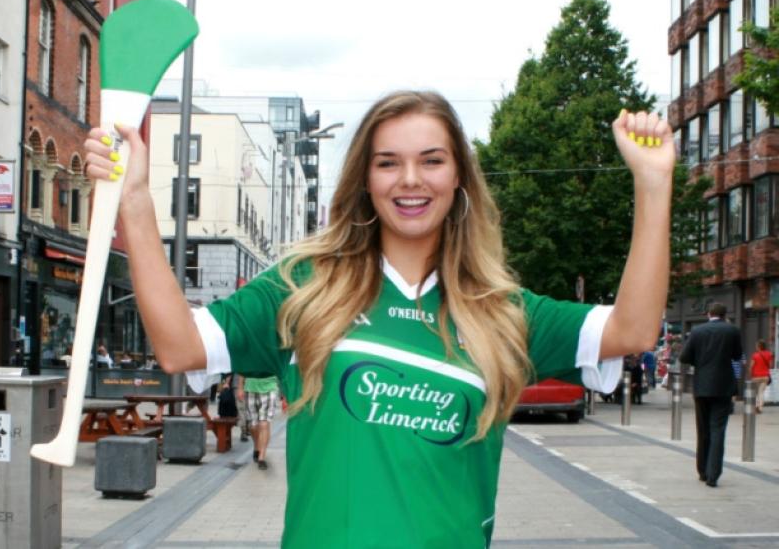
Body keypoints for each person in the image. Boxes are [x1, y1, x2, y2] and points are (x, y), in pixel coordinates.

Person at [84, 91, 674, 548]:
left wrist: (653, 185)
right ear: (366, 181)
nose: (410, 180)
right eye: (388, 163)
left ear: (459, 177)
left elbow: (634, 329)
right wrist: (135, 200)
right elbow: (179, 346)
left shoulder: (501, 310)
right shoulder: (306, 288)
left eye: (431, 161)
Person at [679, 303, 742, 487]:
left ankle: (702, 471)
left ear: (708, 314)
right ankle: (714, 474)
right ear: (724, 315)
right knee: (718, 429)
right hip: (723, 386)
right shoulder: (732, 331)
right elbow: (737, 355)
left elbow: (684, 357)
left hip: (702, 386)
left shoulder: (697, 331)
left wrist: (700, 362)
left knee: (703, 429)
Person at [237, 375, 279, 470]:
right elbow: (243, 368)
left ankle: (261, 457)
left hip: (270, 387)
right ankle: (257, 446)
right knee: (253, 426)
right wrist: (240, 387)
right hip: (250, 388)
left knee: (264, 423)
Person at [750, 340, 774, 414]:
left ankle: (756, 406)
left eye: (756, 345)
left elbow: (751, 366)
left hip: (756, 377)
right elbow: (770, 366)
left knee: (756, 392)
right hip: (765, 377)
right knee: (761, 392)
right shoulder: (769, 354)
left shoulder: (755, 355)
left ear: (759, 346)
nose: (756, 347)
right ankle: (760, 408)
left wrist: (750, 374)